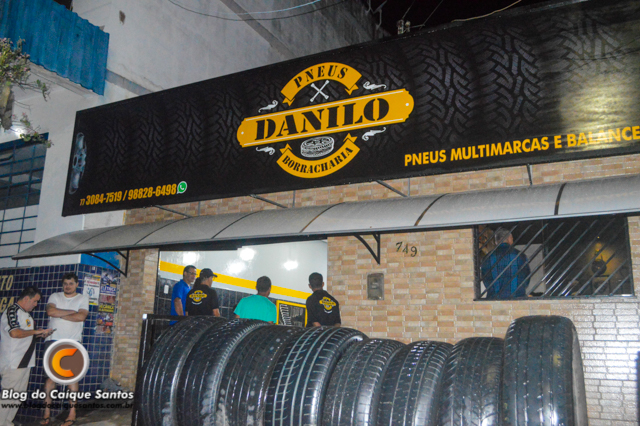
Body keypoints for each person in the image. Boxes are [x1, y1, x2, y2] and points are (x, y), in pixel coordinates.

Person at [41, 273, 89, 426]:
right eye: (65, 284)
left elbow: (81, 317)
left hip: (72, 342)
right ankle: (46, 414)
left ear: (77, 284)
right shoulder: (55, 296)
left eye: (71, 283)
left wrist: (60, 314)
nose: (68, 286)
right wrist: (72, 312)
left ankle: (72, 414)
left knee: (72, 378)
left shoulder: (82, 298)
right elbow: (51, 312)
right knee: (50, 378)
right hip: (53, 341)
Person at [0, 287, 53, 426]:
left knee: (18, 396)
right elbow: (14, 333)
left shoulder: (27, 315)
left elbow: (26, 336)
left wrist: (39, 334)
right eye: (35, 301)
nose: (36, 304)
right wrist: (35, 332)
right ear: (26, 298)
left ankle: (6, 422)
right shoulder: (12, 311)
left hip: (25, 362)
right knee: (8, 396)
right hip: (13, 363)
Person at [481, 228, 531, 299]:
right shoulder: (520, 256)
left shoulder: (487, 258)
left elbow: (485, 279)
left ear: (496, 242)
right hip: (517, 299)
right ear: (509, 238)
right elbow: (526, 279)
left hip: (494, 300)